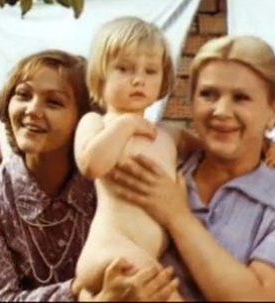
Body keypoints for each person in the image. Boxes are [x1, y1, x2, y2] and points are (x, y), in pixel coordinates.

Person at [104, 35, 275, 301]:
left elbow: (260, 298)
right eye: (208, 95)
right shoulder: (153, 165)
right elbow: (98, 258)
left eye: (241, 98)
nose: (221, 111)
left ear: (273, 111)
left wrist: (177, 216)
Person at [0, 49, 178, 302]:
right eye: (22, 95)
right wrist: (87, 293)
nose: (32, 110)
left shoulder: (109, 176)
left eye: (53, 102)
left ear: (84, 118)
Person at [73, 16, 198, 301]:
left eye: (150, 71)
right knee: (169, 294)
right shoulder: (97, 123)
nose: (138, 79)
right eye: (124, 69)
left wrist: (266, 146)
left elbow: (214, 150)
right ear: (100, 76)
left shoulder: (168, 135)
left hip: (141, 254)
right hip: (111, 250)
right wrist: (124, 125)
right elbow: (92, 165)